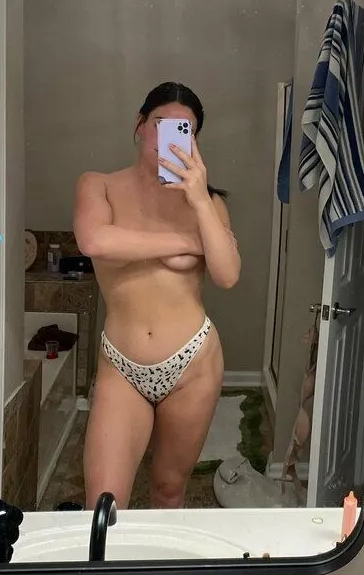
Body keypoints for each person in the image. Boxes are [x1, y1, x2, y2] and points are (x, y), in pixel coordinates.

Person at [73, 82, 240, 509]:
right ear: (140, 124)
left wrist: (199, 200)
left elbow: (226, 275)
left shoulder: (208, 204)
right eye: (161, 124)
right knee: (103, 503)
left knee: (168, 490)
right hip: (121, 366)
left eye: (185, 131)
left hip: (192, 365)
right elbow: (95, 240)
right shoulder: (98, 186)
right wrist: (185, 243)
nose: (170, 138)